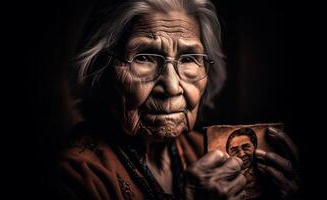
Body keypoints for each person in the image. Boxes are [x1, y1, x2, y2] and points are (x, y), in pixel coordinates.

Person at [57, 0, 299, 199]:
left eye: (188, 59)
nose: (172, 87)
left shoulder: (207, 151)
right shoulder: (76, 174)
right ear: (100, 69)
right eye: (145, 57)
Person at [226, 128, 260, 199]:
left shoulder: (263, 172)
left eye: (246, 147)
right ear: (228, 154)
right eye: (234, 150)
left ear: (255, 146)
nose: (241, 154)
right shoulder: (225, 179)